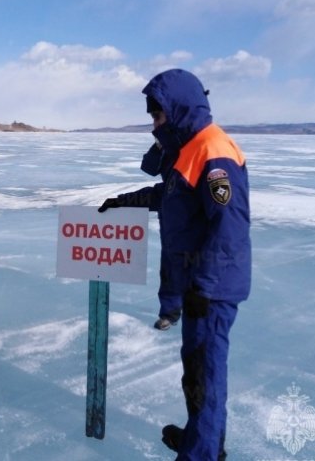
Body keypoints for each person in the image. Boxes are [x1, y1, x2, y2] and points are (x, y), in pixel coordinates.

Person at [141, 69, 251, 460]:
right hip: (198, 284)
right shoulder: (190, 148)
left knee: (205, 374)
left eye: (158, 116)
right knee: (196, 371)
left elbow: (229, 229)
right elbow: (174, 197)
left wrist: (204, 287)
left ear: (178, 109)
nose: (154, 124)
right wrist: (128, 201)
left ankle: (202, 454)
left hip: (212, 288)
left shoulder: (213, 150)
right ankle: (199, 440)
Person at [98, 140, 182, 331]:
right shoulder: (169, 185)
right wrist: (119, 202)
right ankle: (170, 313)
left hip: (198, 239)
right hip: (172, 236)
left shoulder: (196, 167)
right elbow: (153, 193)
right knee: (170, 271)